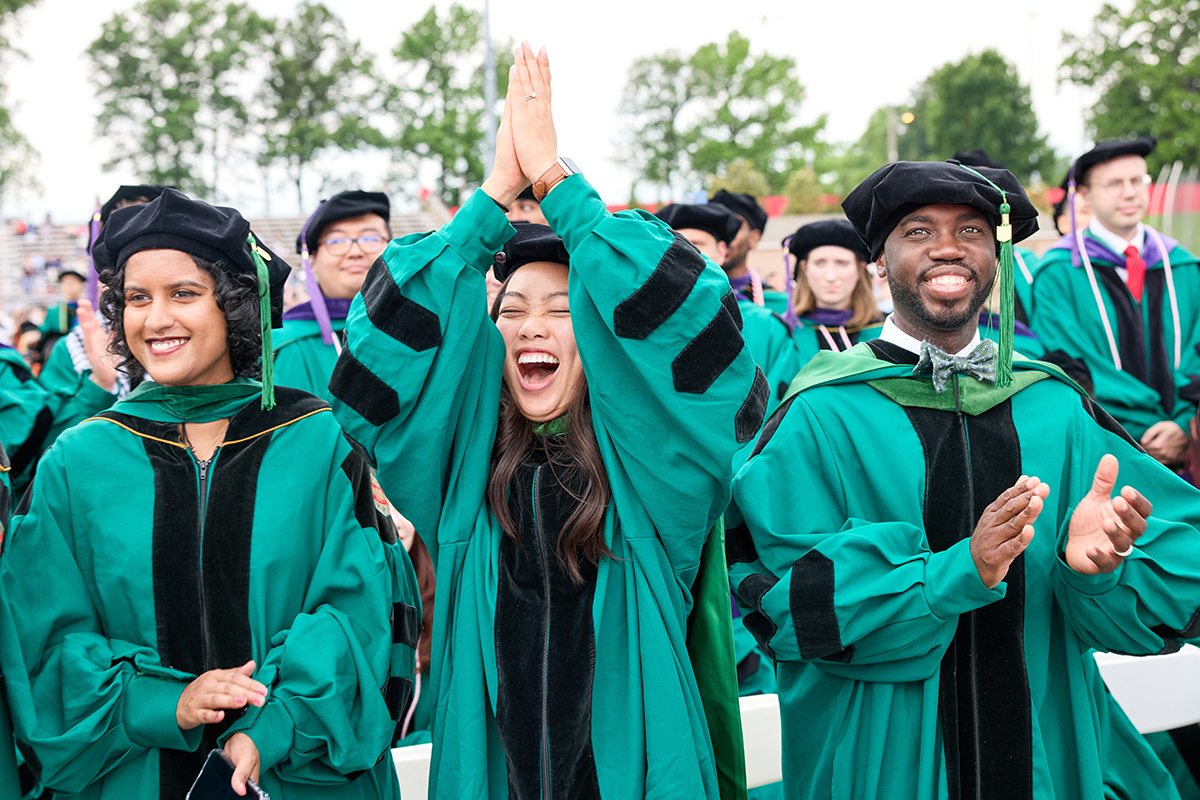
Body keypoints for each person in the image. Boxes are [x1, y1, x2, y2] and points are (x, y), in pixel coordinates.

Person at [330, 42, 762, 799]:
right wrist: (494, 194)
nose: (533, 328)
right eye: (513, 312)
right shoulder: (459, 476)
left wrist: (560, 186)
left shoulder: (655, 482)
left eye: (564, 314)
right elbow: (371, 366)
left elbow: (705, 329)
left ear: (603, 349)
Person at [727, 159, 1200, 800]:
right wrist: (955, 573)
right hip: (881, 760)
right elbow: (777, 594)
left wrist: (1098, 574)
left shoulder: (1056, 407)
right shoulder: (820, 413)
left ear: (996, 258)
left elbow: (1177, 558)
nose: (949, 246)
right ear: (879, 259)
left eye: (973, 230)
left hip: (1044, 755)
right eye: (918, 231)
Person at [0, 189, 420, 800]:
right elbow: (43, 642)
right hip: (132, 778)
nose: (156, 318)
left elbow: (357, 616)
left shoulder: (320, 442)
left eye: (184, 294)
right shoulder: (78, 460)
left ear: (234, 307)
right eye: (138, 298)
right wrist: (164, 702)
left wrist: (266, 727)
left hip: (295, 775)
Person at [1032, 137, 1200, 468]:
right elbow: (1071, 364)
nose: (1129, 192)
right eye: (1114, 183)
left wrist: (1184, 426)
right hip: (1106, 447)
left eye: (1138, 180)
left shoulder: (1184, 267)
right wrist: (1145, 429)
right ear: (1082, 194)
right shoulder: (1058, 274)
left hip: (1189, 446)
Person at [657, 201, 800, 406]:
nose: (686, 253)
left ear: (722, 251)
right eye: (676, 244)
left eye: (697, 244)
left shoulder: (766, 326)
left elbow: (780, 409)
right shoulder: (645, 324)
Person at [274, 190, 391, 402]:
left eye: (370, 238)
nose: (355, 251)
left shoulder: (427, 330)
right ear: (313, 261)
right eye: (336, 241)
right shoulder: (284, 347)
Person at [785, 219, 883, 364]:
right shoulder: (784, 333)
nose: (830, 276)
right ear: (805, 268)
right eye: (819, 263)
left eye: (842, 263)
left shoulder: (884, 332)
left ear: (860, 270)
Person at [710, 189, 789, 316]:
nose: (722, 235)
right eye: (714, 227)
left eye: (732, 226)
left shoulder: (780, 306)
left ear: (754, 238)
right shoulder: (691, 297)